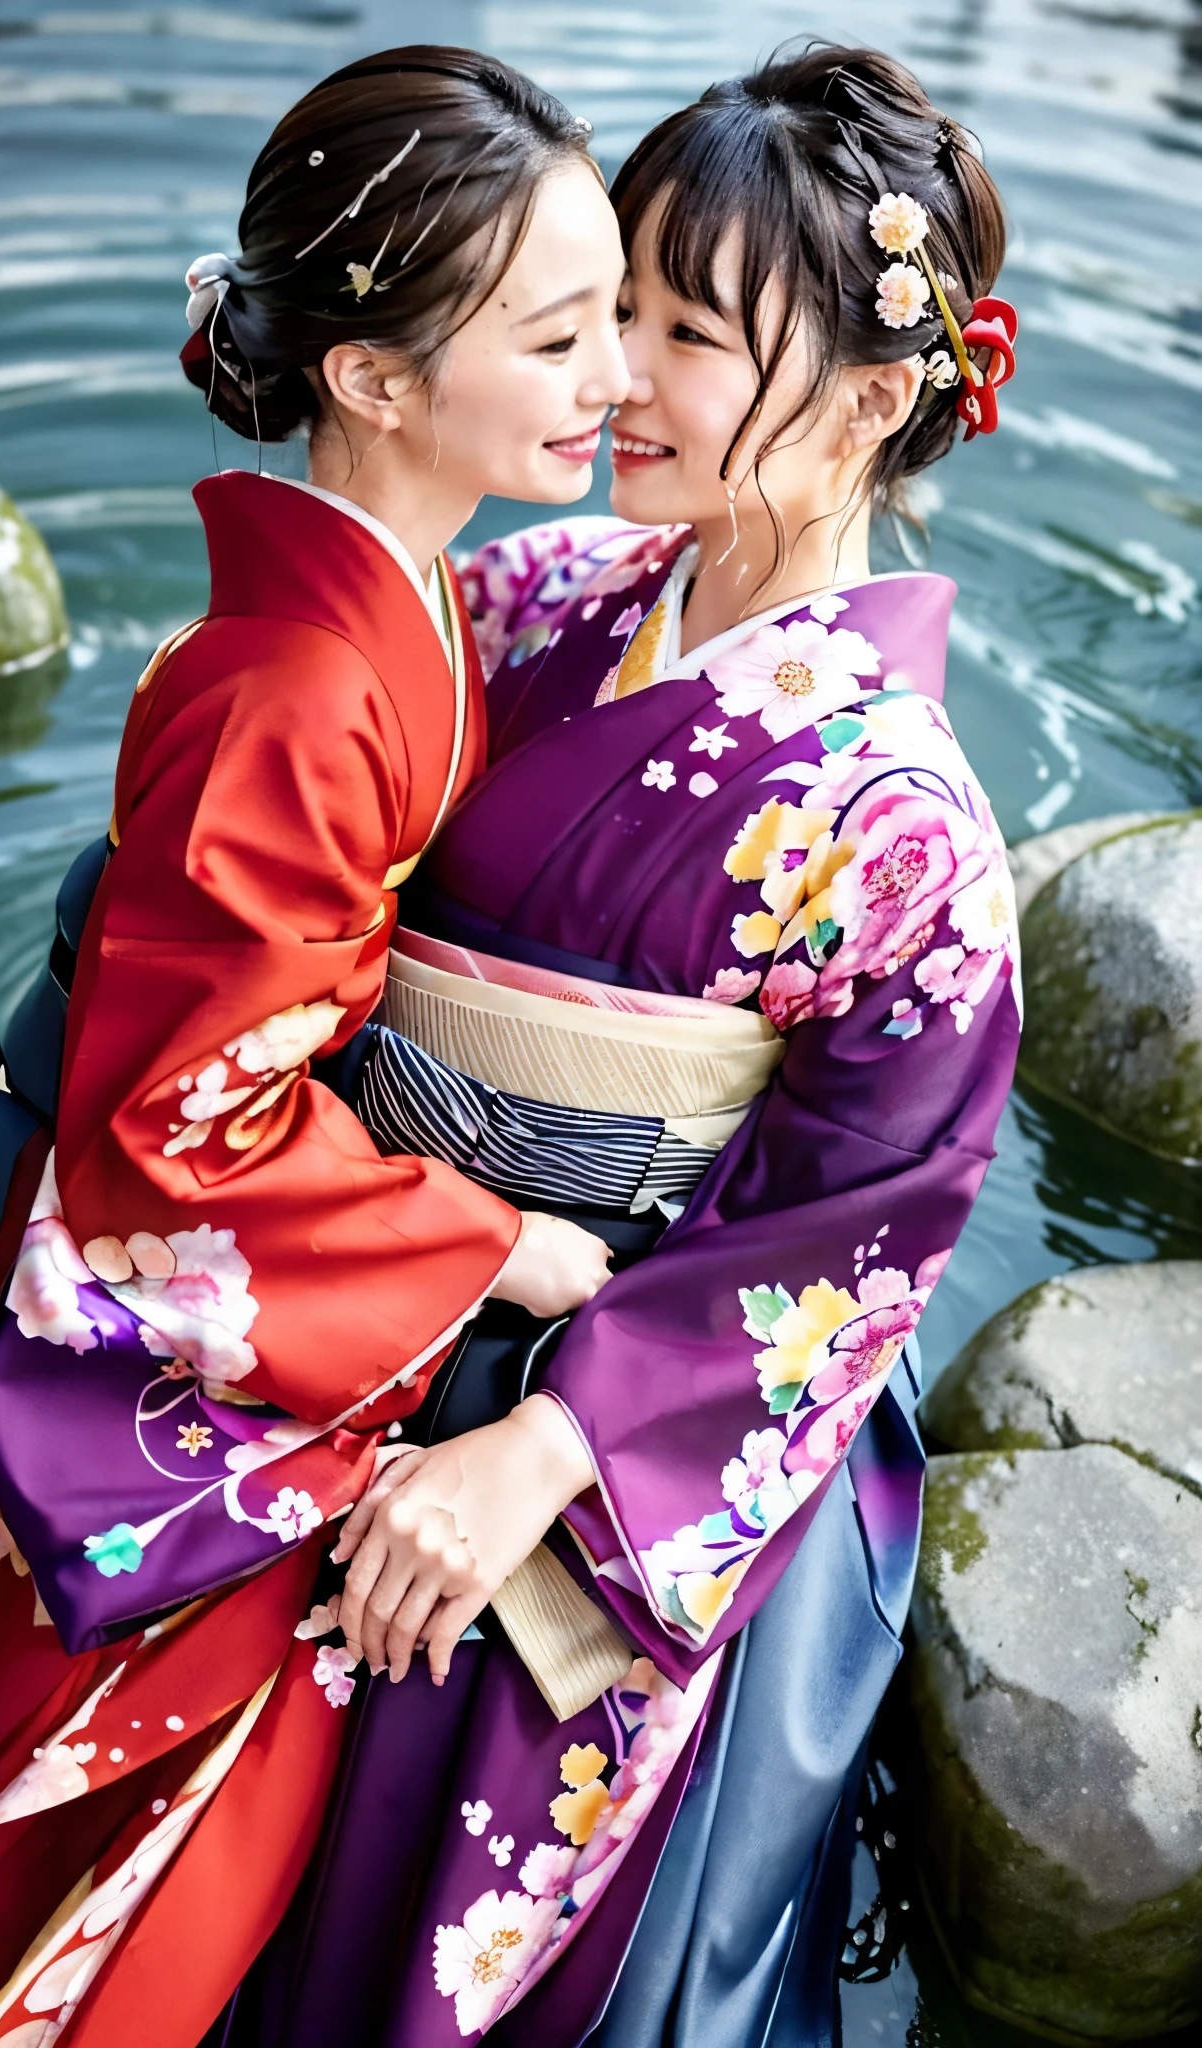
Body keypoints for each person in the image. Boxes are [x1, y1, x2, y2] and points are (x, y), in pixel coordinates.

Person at [0, 47, 632, 2048]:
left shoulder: (400, 611)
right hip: (96, 1242)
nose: (616, 372)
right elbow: (176, 1126)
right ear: (373, 379)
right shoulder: (293, 689)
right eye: (560, 335)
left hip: (123, 1184)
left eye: (620, 312)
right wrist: (485, 1239)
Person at [217, 39, 1022, 2047]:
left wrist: (534, 1453)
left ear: (858, 401)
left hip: (632, 1395)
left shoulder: (906, 825)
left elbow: (851, 1236)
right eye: (616, 308)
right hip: (370, 1266)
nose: (618, 378)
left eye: (687, 330)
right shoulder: (534, 594)